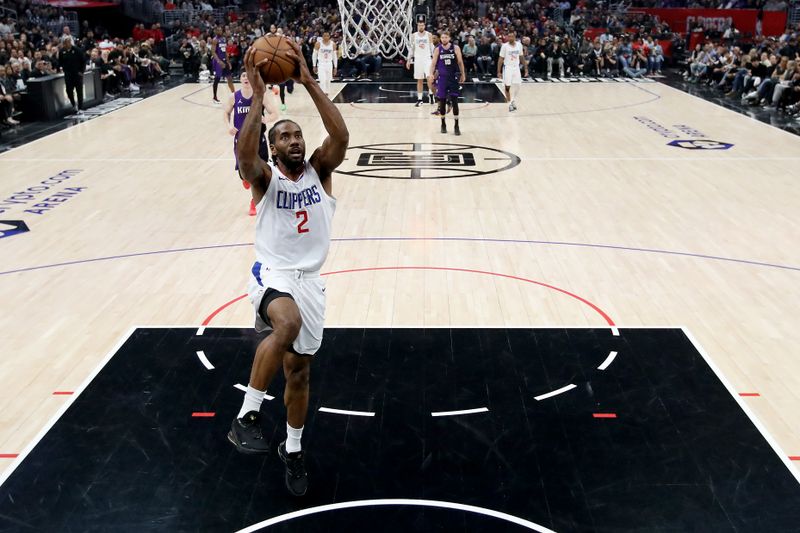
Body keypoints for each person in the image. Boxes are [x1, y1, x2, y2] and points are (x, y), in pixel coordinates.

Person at [229, 41, 349, 498]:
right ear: (273, 148)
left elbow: (340, 138)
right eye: (284, 136)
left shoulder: (321, 170)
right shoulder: (265, 178)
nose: (294, 140)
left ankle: (293, 449)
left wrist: (311, 82)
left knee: (299, 373)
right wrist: (258, 97)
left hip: (310, 282)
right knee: (286, 323)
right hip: (271, 275)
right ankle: (247, 417)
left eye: (297, 134)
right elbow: (244, 159)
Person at [223, 70, 279, 216]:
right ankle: (245, 179)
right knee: (244, 174)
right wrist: (229, 127)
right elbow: (226, 112)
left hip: (258, 138)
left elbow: (274, 113)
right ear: (240, 79)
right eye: (243, 76)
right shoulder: (234, 97)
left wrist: (265, 119)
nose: (246, 78)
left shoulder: (260, 96)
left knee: (260, 172)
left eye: (248, 76)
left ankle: (254, 202)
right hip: (241, 140)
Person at [429, 31, 465, 136]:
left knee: (454, 101)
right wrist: (431, 74)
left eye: (446, 37)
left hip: (453, 78)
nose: (444, 39)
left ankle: (456, 125)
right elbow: (433, 63)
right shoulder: (438, 49)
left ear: (449, 38)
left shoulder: (456, 48)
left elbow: (460, 62)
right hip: (442, 78)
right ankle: (443, 124)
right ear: (440, 39)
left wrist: (463, 74)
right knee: (442, 102)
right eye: (442, 37)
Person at [406, 20, 434, 106]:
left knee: (429, 78)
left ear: (424, 26)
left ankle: (431, 94)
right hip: (418, 60)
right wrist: (408, 60)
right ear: (417, 26)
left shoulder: (429, 35)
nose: (421, 27)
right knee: (419, 79)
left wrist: (434, 59)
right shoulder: (413, 36)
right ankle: (420, 99)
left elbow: (432, 48)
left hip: (427, 59)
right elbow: (411, 49)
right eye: (419, 25)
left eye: (422, 25)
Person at [497, 31, 526, 112]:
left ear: (515, 37)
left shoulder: (519, 45)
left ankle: (512, 100)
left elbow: (521, 56)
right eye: (508, 37)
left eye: (511, 36)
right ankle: (509, 104)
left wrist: (526, 68)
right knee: (507, 86)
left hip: (516, 67)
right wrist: (498, 71)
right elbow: (500, 59)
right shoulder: (504, 46)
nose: (510, 38)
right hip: (508, 67)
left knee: (518, 85)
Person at [59, 35, 86, 115]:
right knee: (68, 90)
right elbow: (60, 62)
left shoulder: (77, 50)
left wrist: (82, 71)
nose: (67, 43)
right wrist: (61, 68)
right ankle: (74, 104)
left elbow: (83, 61)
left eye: (68, 41)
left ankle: (80, 108)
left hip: (77, 73)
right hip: (68, 74)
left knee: (79, 91)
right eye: (65, 42)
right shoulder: (62, 51)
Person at [211, 26, 234, 104]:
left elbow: (225, 52)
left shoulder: (224, 39)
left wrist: (228, 61)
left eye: (221, 30)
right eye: (218, 30)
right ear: (216, 31)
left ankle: (234, 95)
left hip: (224, 60)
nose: (220, 31)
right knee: (217, 79)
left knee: (229, 78)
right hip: (218, 62)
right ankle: (214, 97)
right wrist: (219, 61)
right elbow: (213, 52)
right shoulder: (215, 40)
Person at [313, 32, 337, 97]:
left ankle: (327, 93)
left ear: (329, 36)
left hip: (329, 63)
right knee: (322, 80)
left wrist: (335, 67)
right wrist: (314, 65)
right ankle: (322, 94)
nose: (326, 37)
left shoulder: (333, 44)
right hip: (321, 63)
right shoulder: (318, 43)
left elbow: (335, 56)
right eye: (324, 36)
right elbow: (314, 55)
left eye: (327, 36)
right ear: (322, 36)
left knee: (328, 80)